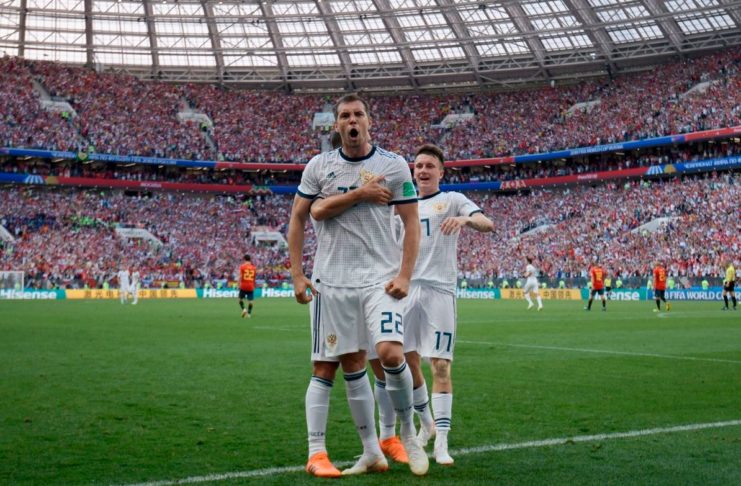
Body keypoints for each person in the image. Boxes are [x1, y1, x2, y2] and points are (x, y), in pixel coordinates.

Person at [287, 93, 428, 477]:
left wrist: (405, 274)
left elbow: (411, 222)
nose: (352, 121)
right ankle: (355, 452)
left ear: (369, 121)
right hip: (332, 282)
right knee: (340, 364)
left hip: (380, 280)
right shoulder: (319, 166)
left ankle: (407, 433)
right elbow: (303, 216)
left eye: (358, 115)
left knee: (390, 354)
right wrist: (297, 274)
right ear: (336, 125)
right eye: (345, 116)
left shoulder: (393, 165)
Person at [376, 143, 494, 465]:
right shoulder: (401, 205)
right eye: (419, 166)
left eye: (430, 165)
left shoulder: (453, 199)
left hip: (439, 291)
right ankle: (426, 422)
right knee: (405, 361)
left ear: (441, 171)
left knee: (440, 365)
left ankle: (442, 440)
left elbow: (487, 223)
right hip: (405, 290)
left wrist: (465, 220)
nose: (423, 170)